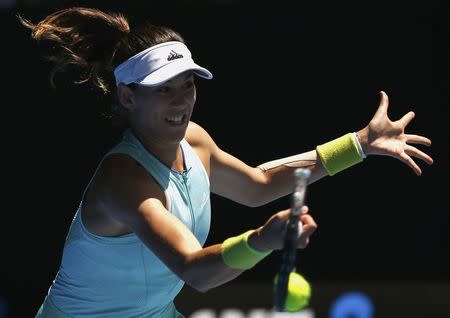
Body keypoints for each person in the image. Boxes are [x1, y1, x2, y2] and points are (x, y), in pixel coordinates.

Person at [19, 7, 433, 318]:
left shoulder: (194, 141)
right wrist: (261, 240)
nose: (182, 100)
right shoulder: (124, 180)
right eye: (164, 89)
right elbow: (194, 271)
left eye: (188, 84)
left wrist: (358, 145)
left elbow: (256, 186)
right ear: (128, 97)